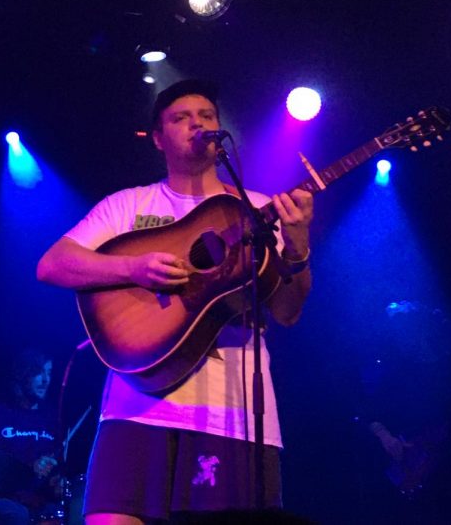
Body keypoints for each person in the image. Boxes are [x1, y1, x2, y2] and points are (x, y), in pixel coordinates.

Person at [37, 78, 314, 525]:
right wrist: (132, 269)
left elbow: (287, 312)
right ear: (158, 139)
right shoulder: (128, 206)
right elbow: (53, 265)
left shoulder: (258, 210)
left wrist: (298, 244)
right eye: (181, 118)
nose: (197, 124)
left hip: (232, 414)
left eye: (206, 116)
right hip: (136, 407)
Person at [0, 347, 62, 525]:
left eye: (49, 372)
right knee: (18, 515)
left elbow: (58, 470)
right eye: (38, 372)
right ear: (22, 375)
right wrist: (28, 468)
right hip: (1, 497)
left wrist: (57, 482)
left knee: (59, 514)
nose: (46, 380)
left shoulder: (53, 417)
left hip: (38, 500)